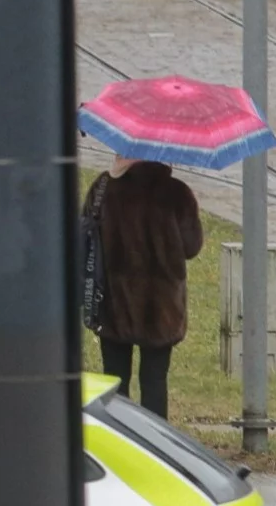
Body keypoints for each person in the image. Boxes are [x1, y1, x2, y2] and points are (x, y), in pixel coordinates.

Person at [82, 156, 202, 418]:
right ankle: (156, 443)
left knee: (114, 383)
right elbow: (192, 247)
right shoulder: (177, 193)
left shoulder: (103, 187)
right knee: (155, 382)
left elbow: (85, 235)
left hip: (113, 303)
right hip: (161, 310)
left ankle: (117, 438)